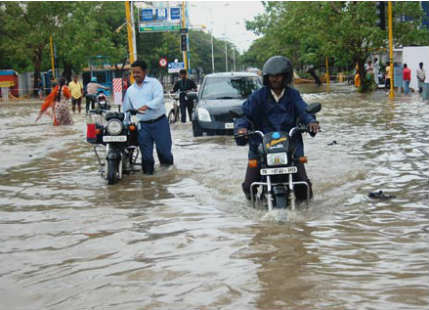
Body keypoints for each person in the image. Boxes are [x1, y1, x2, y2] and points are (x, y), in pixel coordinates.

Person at [234, 56, 320, 201]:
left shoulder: (293, 95)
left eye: (278, 75)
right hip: (261, 146)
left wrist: (311, 122)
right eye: (272, 76)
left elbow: (304, 111)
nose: (275, 79)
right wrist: (241, 128)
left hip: (290, 146)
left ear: (285, 76)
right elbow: (245, 114)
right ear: (267, 77)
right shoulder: (258, 96)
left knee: (304, 188)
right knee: (249, 186)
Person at [122, 60, 174, 175]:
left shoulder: (154, 83)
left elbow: (159, 99)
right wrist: (128, 123)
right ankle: (148, 181)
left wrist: (147, 106)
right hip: (142, 125)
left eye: (138, 72)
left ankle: (168, 179)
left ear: (145, 71)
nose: (135, 75)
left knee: (164, 153)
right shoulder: (130, 91)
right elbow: (127, 110)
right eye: (133, 72)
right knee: (146, 157)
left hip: (160, 123)